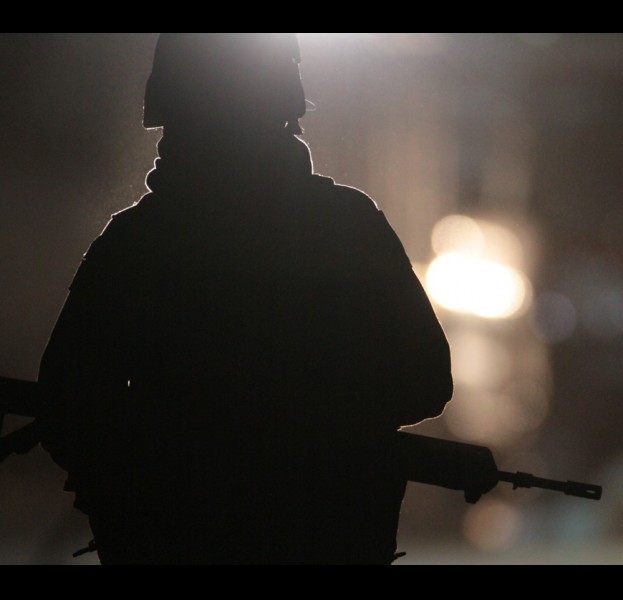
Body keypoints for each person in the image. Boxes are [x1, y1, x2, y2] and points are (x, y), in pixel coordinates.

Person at [38, 33, 453, 565]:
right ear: (284, 108)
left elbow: (67, 405)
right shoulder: (351, 227)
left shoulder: (134, 242)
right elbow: (424, 379)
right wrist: (325, 427)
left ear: (171, 113)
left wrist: (143, 478)